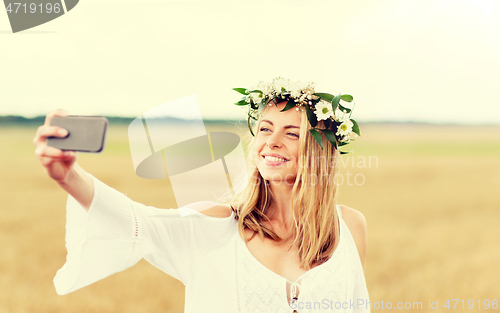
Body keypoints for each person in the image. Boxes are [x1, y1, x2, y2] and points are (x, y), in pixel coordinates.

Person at [33, 78, 370, 312]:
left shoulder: (350, 228)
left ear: (321, 150)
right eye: (265, 129)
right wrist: (69, 176)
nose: (271, 142)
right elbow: (139, 222)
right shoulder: (216, 227)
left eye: (291, 133)